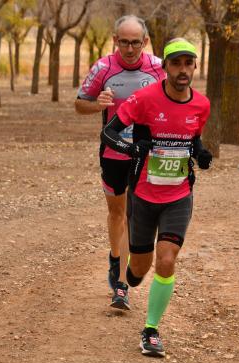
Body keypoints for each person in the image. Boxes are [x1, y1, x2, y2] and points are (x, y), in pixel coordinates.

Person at [101, 38, 213, 357]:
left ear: (194, 67)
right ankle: (132, 277)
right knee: (140, 268)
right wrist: (130, 148)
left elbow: (194, 138)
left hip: (178, 196)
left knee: (166, 260)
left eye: (187, 63)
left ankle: (150, 330)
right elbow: (108, 132)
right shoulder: (144, 99)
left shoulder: (201, 105)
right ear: (165, 67)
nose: (182, 70)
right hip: (144, 196)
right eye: (175, 63)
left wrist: (201, 153)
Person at [74, 15, 165, 310]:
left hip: (144, 154)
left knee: (132, 214)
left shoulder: (158, 68)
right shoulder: (103, 68)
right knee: (116, 211)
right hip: (112, 152)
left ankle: (122, 285)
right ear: (115, 40)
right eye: (123, 42)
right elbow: (79, 104)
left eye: (135, 42)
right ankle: (115, 257)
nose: (129, 48)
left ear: (145, 42)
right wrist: (97, 104)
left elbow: (172, 102)